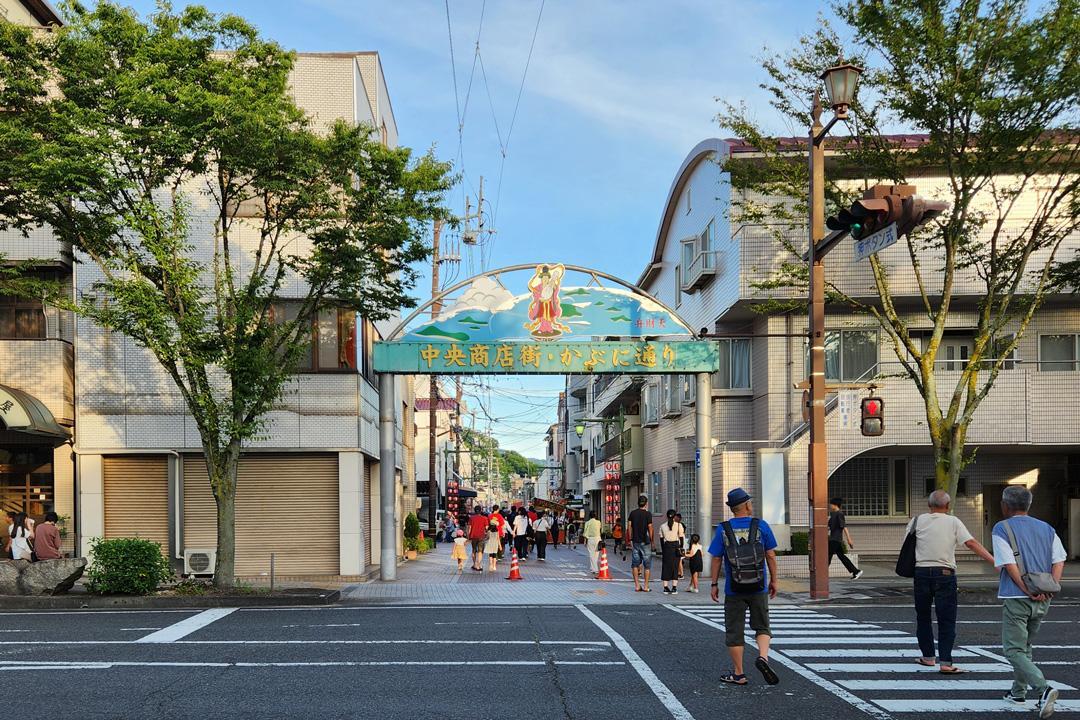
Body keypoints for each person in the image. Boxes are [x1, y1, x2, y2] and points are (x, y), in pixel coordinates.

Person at [992, 486, 1066, 716]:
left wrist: (1026, 589)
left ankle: (1044, 688)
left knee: (1013, 650)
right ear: (1029, 505)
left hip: (1017, 597)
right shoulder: (1047, 528)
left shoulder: (1001, 528)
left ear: (1005, 505)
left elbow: (1008, 565)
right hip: (1044, 597)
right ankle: (1018, 692)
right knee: (1025, 647)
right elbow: (1059, 560)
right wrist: (1049, 587)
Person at [907, 490, 994, 673]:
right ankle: (946, 662)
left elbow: (907, 544)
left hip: (921, 573)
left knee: (923, 617)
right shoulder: (953, 521)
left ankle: (928, 657)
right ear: (948, 506)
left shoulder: (916, 520)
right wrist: (994, 561)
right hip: (945, 574)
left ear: (929, 505)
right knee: (946, 619)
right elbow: (970, 543)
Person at [709, 488, 780, 687]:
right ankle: (763, 658)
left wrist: (714, 584)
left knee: (735, 631)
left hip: (734, 588)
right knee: (763, 625)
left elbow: (716, 558)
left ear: (732, 509)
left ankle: (739, 674)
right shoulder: (761, 526)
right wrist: (774, 580)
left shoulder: (723, 529)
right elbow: (771, 555)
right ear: (747, 505)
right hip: (758, 586)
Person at [828, 498, 863, 579]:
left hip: (835, 539)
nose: (829, 505)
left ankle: (821, 574)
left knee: (828, 556)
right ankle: (856, 571)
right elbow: (829, 526)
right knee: (841, 556)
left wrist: (849, 539)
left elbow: (844, 526)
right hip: (834, 539)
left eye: (831, 504)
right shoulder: (833, 514)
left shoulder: (840, 514)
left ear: (835, 505)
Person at [627, 495, 654, 592]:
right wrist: (652, 541)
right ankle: (646, 586)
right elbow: (650, 528)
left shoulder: (632, 513)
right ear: (646, 504)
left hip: (635, 541)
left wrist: (630, 539)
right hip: (645, 542)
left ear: (638, 503)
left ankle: (637, 586)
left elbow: (629, 527)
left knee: (635, 564)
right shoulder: (648, 514)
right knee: (647, 565)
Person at [659, 509, 685, 595]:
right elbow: (681, 537)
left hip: (667, 547)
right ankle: (674, 588)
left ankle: (665, 587)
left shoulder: (662, 526)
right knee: (675, 567)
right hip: (676, 547)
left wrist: (663, 550)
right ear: (675, 516)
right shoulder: (679, 525)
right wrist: (681, 547)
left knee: (666, 566)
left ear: (667, 516)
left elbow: (661, 539)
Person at [467, 506, 489, 572]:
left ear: (474, 510)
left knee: (474, 550)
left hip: (473, 536)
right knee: (480, 551)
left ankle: (474, 564)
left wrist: (468, 536)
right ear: (481, 510)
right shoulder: (484, 518)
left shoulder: (471, 518)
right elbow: (487, 528)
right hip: (481, 536)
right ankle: (479, 565)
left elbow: (469, 528)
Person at [674, 512, 686, 580]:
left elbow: (681, 537)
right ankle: (679, 573)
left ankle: (681, 574)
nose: (674, 518)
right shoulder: (678, 525)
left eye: (675, 517)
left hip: (680, 545)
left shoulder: (680, 525)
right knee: (678, 560)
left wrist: (681, 546)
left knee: (679, 560)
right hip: (679, 544)